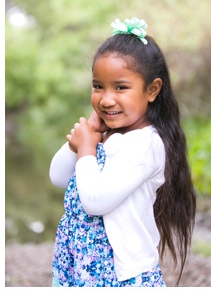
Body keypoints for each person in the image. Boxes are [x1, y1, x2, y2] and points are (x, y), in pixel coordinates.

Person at [50, 18, 197, 286]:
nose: (106, 99)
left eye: (121, 87)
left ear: (152, 90)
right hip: (79, 266)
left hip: (122, 276)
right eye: (98, 86)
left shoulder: (146, 144)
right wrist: (79, 142)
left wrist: (86, 148)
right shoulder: (107, 135)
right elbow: (59, 177)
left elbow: (94, 202)